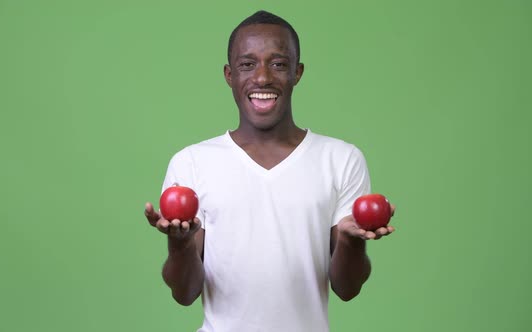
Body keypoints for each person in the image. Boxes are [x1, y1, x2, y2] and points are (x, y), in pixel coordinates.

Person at [144, 10, 395, 332]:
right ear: (229, 75)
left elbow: (348, 289)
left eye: (278, 64)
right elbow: (185, 293)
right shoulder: (191, 162)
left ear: (297, 72)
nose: (262, 78)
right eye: (247, 64)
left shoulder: (341, 158)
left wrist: (351, 241)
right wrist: (179, 244)